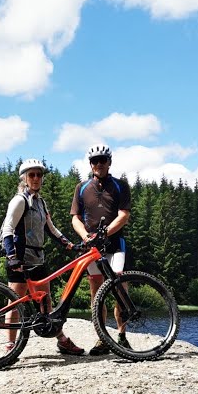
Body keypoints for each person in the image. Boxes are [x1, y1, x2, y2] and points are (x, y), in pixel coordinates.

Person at [0, 158, 86, 355]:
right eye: (32, 175)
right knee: (15, 301)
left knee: (45, 301)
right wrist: (12, 256)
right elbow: (8, 227)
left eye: (39, 174)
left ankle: (61, 340)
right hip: (20, 257)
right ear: (24, 178)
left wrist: (70, 245)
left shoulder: (40, 203)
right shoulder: (19, 200)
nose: (36, 178)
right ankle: (10, 346)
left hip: (38, 257)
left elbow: (51, 228)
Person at [70, 144, 133, 355]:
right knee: (97, 294)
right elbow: (75, 218)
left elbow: (124, 215)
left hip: (115, 247)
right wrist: (86, 236)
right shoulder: (82, 187)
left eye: (102, 160)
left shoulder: (120, 185)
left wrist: (105, 232)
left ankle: (122, 336)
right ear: (90, 164)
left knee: (120, 291)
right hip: (92, 249)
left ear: (109, 162)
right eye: (94, 161)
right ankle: (102, 339)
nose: (98, 164)